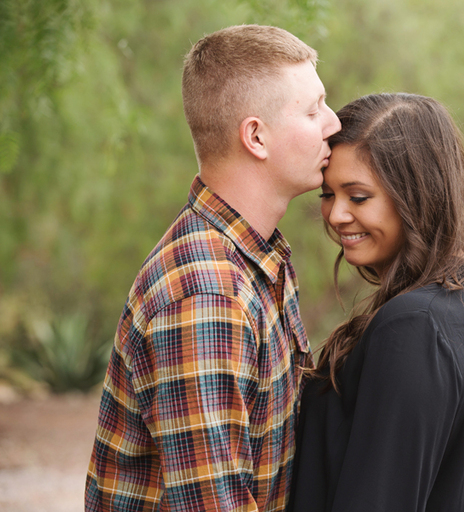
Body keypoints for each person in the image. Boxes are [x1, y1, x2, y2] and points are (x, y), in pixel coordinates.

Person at [85, 25, 340, 511]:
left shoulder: (255, 259)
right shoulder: (206, 294)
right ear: (256, 137)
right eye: (313, 111)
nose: (333, 123)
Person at [287, 93, 464, 512]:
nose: (336, 214)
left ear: (417, 196)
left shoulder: (414, 326)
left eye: (358, 197)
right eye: (327, 194)